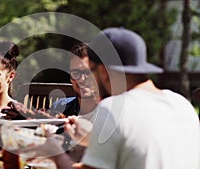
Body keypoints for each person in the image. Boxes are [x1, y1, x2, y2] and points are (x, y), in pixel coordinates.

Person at [22, 27, 200, 169]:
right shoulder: (181, 104)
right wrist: (92, 139)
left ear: (104, 72)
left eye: (90, 71)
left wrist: (55, 151)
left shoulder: (113, 108)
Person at [49, 42, 101, 162]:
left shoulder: (109, 113)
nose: (81, 79)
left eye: (88, 73)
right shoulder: (60, 107)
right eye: (76, 73)